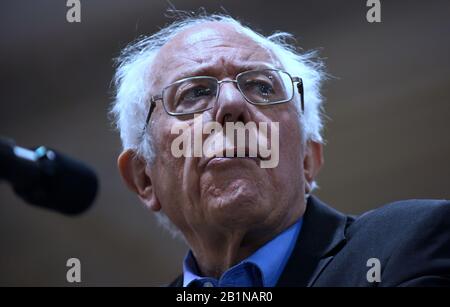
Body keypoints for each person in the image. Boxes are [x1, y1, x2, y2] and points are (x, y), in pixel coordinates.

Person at [110, 14, 450, 287]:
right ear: (145, 178)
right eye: (195, 92)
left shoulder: (408, 246)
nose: (231, 104)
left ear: (307, 159)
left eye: (261, 87)